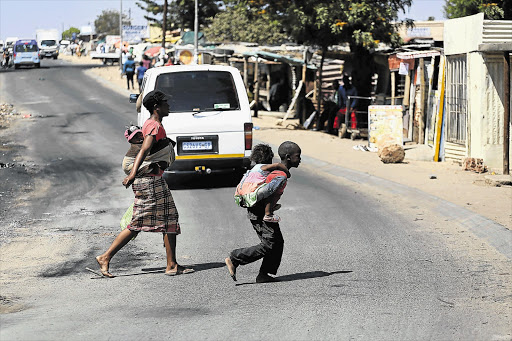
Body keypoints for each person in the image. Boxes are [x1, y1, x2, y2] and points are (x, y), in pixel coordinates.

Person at [96, 90, 193, 278]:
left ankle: (171, 264)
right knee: (140, 222)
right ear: (157, 107)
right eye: (165, 103)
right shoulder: (154, 126)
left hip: (152, 180)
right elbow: (145, 149)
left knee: (168, 218)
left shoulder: (152, 124)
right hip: (148, 182)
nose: (168, 106)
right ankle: (106, 257)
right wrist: (132, 174)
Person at [225, 141, 301, 283]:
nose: (300, 159)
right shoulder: (280, 175)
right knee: (270, 244)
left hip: (258, 209)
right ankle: (235, 258)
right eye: (298, 156)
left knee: (277, 242)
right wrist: (267, 212)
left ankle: (264, 274)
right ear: (288, 157)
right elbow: (267, 192)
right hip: (259, 211)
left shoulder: (274, 171)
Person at [234, 143, 291, 223]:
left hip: (240, 195)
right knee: (278, 180)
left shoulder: (254, 168)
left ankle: (269, 206)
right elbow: (278, 165)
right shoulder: (263, 166)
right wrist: (287, 173)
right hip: (251, 194)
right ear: (269, 158)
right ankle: (268, 214)